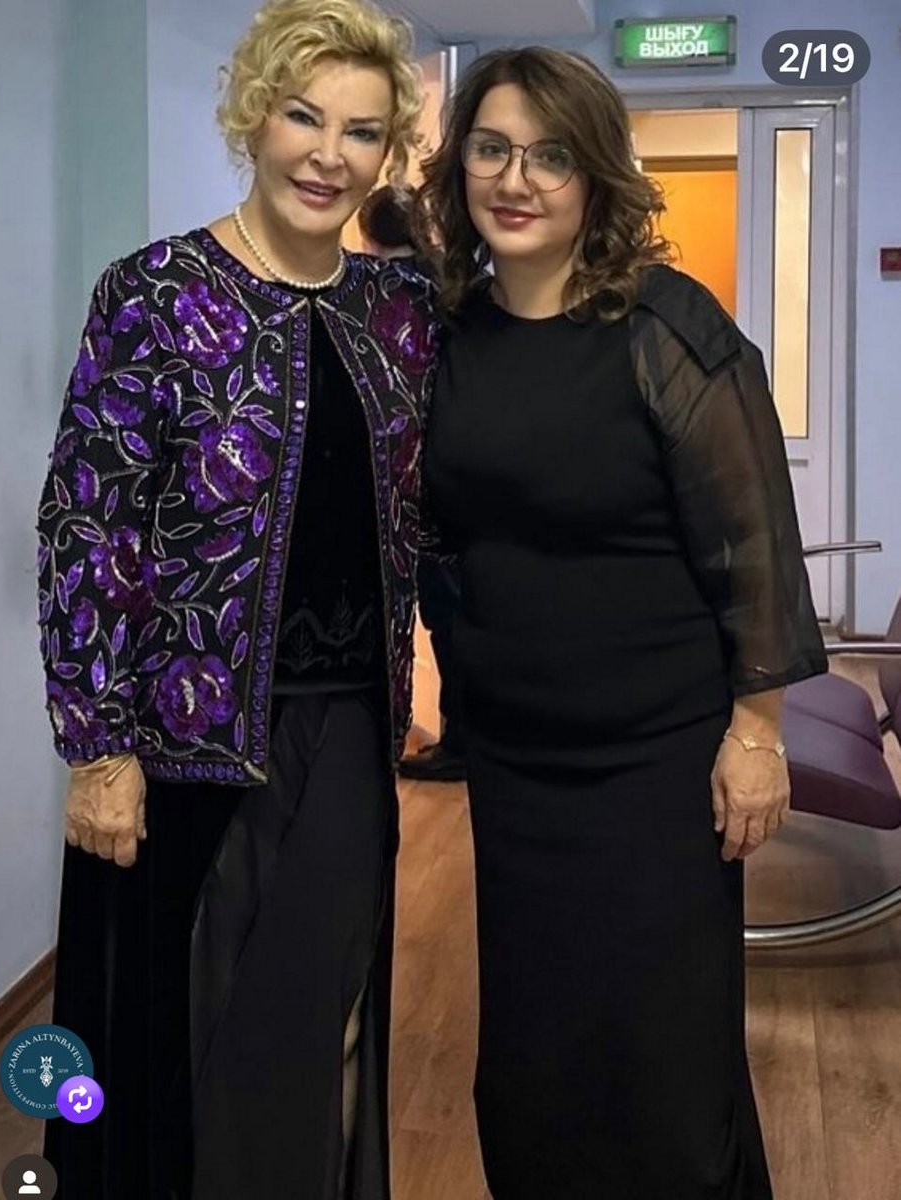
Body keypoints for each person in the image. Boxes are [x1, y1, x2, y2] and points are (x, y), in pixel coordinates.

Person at [36, 3, 437, 1197]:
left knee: (313, 1020)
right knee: (169, 1031)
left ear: (387, 153)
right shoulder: (156, 293)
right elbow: (86, 524)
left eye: (361, 132)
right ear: (254, 115)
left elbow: (430, 502)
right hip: (180, 748)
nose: (328, 154)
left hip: (350, 731)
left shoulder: (400, 310)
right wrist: (96, 747)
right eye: (305, 116)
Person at [417, 47, 827, 1199]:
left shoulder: (666, 328)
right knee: (535, 1059)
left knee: (662, 1065)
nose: (517, 179)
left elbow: (755, 545)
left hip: (658, 764)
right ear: (458, 168)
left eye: (550, 155)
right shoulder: (450, 330)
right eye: (492, 149)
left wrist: (757, 734)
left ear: (595, 175)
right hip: (516, 764)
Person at [357, 185, 467, 781]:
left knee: (439, 617)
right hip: (459, 474)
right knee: (460, 614)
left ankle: (456, 741)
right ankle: (465, 735)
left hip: (408, 485)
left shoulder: (372, 293)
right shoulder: (450, 288)